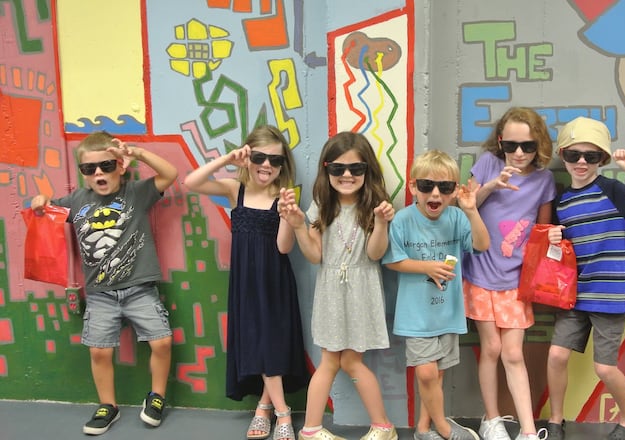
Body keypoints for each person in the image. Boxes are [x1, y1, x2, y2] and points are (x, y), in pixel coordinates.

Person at [30, 131, 178, 435]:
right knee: (98, 350)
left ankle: (157, 396)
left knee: (161, 341)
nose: (98, 172)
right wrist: (41, 201)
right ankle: (107, 405)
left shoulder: (137, 193)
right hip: (100, 294)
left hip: (139, 288)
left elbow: (170, 174)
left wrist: (137, 153)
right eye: (89, 168)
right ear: (83, 174)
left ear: (120, 166)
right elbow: (47, 210)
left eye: (106, 165)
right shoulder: (76, 200)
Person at [545, 117, 625, 440]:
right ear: (564, 156)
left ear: (603, 158)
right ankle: (556, 421)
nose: (582, 162)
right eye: (573, 155)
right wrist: (555, 240)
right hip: (574, 293)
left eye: (591, 156)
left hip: (609, 294)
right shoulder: (562, 202)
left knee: (605, 368)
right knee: (556, 355)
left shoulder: (613, 190)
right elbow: (561, 255)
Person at [183, 125, 308, 440]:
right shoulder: (233, 189)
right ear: (247, 156)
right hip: (245, 283)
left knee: (270, 346)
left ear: (283, 165)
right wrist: (228, 158)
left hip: (275, 281)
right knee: (258, 344)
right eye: (259, 157)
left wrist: (287, 215)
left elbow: (283, 247)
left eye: (275, 161)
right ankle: (271, 410)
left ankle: (276, 413)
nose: (267, 165)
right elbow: (191, 182)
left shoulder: (283, 196)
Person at [278, 131, 397, 440]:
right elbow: (315, 255)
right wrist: (298, 226)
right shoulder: (321, 207)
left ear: (367, 170)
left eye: (356, 168)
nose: (347, 175)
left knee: (349, 360)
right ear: (326, 170)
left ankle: (377, 426)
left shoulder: (375, 206)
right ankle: (320, 428)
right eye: (338, 169)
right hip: (332, 290)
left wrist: (381, 223)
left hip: (362, 288)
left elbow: (375, 253)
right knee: (333, 359)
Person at [382, 149, 490, 440]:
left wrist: (471, 210)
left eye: (445, 188)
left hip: (448, 311)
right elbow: (391, 260)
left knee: (437, 373)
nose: (436, 194)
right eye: (427, 186)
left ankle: (422, 428)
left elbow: (482, 244)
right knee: (427, 374)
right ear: (413, 187)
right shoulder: (403, 220)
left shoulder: (457, 216)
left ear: (455, 191)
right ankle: (443, 427)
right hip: (416, 315)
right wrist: (426, 267)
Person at [461, 107, 555, 440]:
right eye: (510, 145)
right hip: (481, 272)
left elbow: (542, 229)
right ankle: (491, 420)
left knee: (513, 352)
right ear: (499, 142)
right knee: (491, 349)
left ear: (538, 144)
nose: (517, 154)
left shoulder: (544, 180)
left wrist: (552, 236)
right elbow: (465, 203)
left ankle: (528, 430)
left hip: (517, 279)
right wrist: (491, 185)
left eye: (527, 146)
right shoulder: (488, 163)